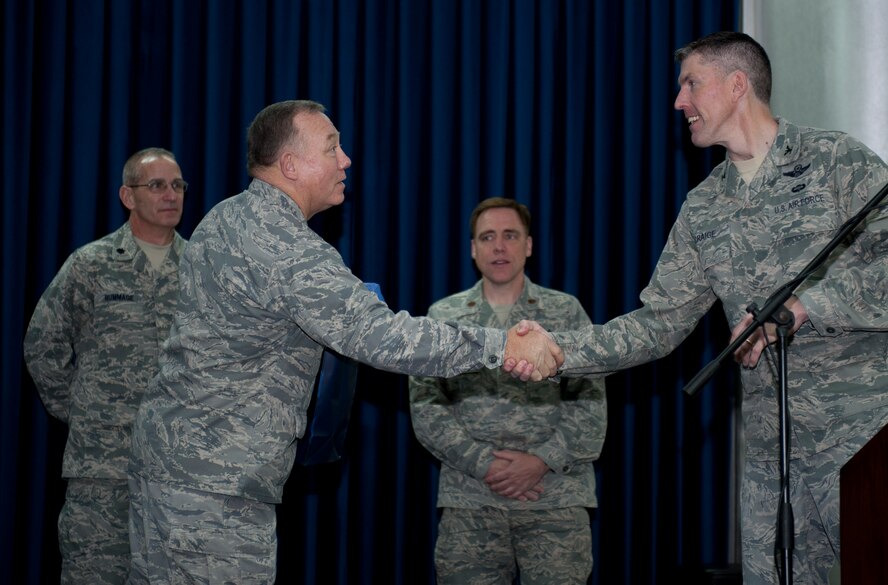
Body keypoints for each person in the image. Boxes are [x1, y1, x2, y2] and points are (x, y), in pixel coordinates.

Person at [125, 99, 563, 584]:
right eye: (332, 147)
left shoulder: (224, 216)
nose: (346, 159)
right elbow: (382, 337)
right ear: (290, 164)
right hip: (214, 483)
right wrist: (501, 346)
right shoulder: (285, 246)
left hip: (171, 465)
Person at [510, 31, 888, 584]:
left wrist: (807, 306)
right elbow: (657, 323)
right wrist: (559, 349)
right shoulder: (703, 207)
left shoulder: (834, 161)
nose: (678, 101)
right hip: (771, 455)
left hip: (862, 439)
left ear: (737, 86)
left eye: (691, 84)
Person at [409, 197, 607, 584]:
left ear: (528, 245)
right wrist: (487, 464)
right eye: (487, 237)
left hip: (555, 500)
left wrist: (541, 462)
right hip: (471, 501)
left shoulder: (565, 312)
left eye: (510, 235)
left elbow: (591, 401)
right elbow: (426, 405)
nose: (499, 247)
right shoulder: (444, 318)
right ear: (473, 249)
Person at [23, 147, 188, 584]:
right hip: (103, 469)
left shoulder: (201, 270)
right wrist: (82, 409)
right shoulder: (90, 265)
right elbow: (43, 344)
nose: (170, 194)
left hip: (181, 471)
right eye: (156, 185)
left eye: (177, 185)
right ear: (128, 196)